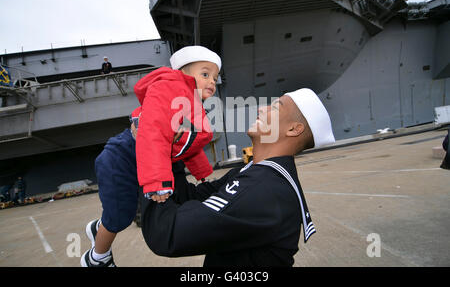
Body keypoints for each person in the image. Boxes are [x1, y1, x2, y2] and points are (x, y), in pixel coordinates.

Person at [140, 88, 335, 266]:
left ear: (293, 129)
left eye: (275, 107)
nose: (261, 110)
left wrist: (150, 145)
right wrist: (168, 153)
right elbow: (190, 197)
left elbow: (167, 233)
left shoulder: (262, 189)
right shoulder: (254, 171)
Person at [81, 46, 221, 267]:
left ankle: (98, 227)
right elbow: (153, 132)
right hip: (123, 157)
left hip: (142, 157)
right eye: (205, 74)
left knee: (118, 214)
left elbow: (186, 143)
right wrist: (157, 183)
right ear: (182, 73)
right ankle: (97, 258)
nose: (212, 81)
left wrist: (202, 173)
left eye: (215, 77)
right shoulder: (170, 88)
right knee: (120, 217)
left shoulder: (193, 103)